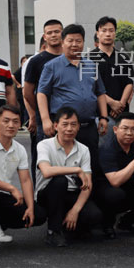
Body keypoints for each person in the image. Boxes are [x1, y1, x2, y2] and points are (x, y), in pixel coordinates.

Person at [37, 24, 108, 176]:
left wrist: (103, 117)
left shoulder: (91, 65)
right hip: (65, 127)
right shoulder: (51, 66)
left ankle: (89, 190)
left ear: (83, 43)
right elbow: (41, 93)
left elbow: (100, 93)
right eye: (70, 41)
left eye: (78, 41)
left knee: (91, 165)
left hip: (88, 126)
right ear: (63, 42)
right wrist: (45, 119)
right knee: (64, 167)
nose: (74, 44)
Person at [0, 105, 46, 253]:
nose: (11, 125)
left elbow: (25, 180)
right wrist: (11, 188)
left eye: (15, 121)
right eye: (6, 121)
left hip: (1, 196)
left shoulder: (19, 149)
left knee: (39, 215)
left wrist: (30, 207)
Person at [35, 107, 103, 247]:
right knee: (60, 181)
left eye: (73, 124)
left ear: (78, 127)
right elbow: (46, 171)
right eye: (65, 124)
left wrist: (75, 210)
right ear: (56, 126)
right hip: (47, 194)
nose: (69, 129)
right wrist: (76, 169)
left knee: (94, 215)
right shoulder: (44, 145)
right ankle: (53, 231)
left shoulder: (83, 149)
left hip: (72, 193)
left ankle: (69, 224)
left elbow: (87, 184)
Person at [95, 112, 134, 239]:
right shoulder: (107, 148)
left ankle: (127, 221)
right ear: (115, 129)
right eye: (125, 128)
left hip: (128, 186)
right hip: (105, 190)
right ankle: (107, 224)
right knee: (115, 194)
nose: (129, 133)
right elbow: (114, 181)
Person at [23, 19, 64, 176]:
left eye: (57, 31)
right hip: (45, 120)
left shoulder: (71, 58)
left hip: (68, 117)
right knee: (43, 160)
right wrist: (39, 112)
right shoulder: (36, 61)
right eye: (49, 33)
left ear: (62, 33)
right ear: (44, 37)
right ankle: (38, 192)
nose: (53, 35)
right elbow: (27, 92)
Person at [89, 16, 134, 145]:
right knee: (103, 148)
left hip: (122, 114)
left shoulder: (124, 57)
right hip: (100, 115)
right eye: (104, 30)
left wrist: (120, 104)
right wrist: (112, 103)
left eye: (111, 30)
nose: (108, 34)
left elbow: (129, 83)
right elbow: (91, 86)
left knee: (123, 147)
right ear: (97, 33)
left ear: (115, 33)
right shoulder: (89, 58)